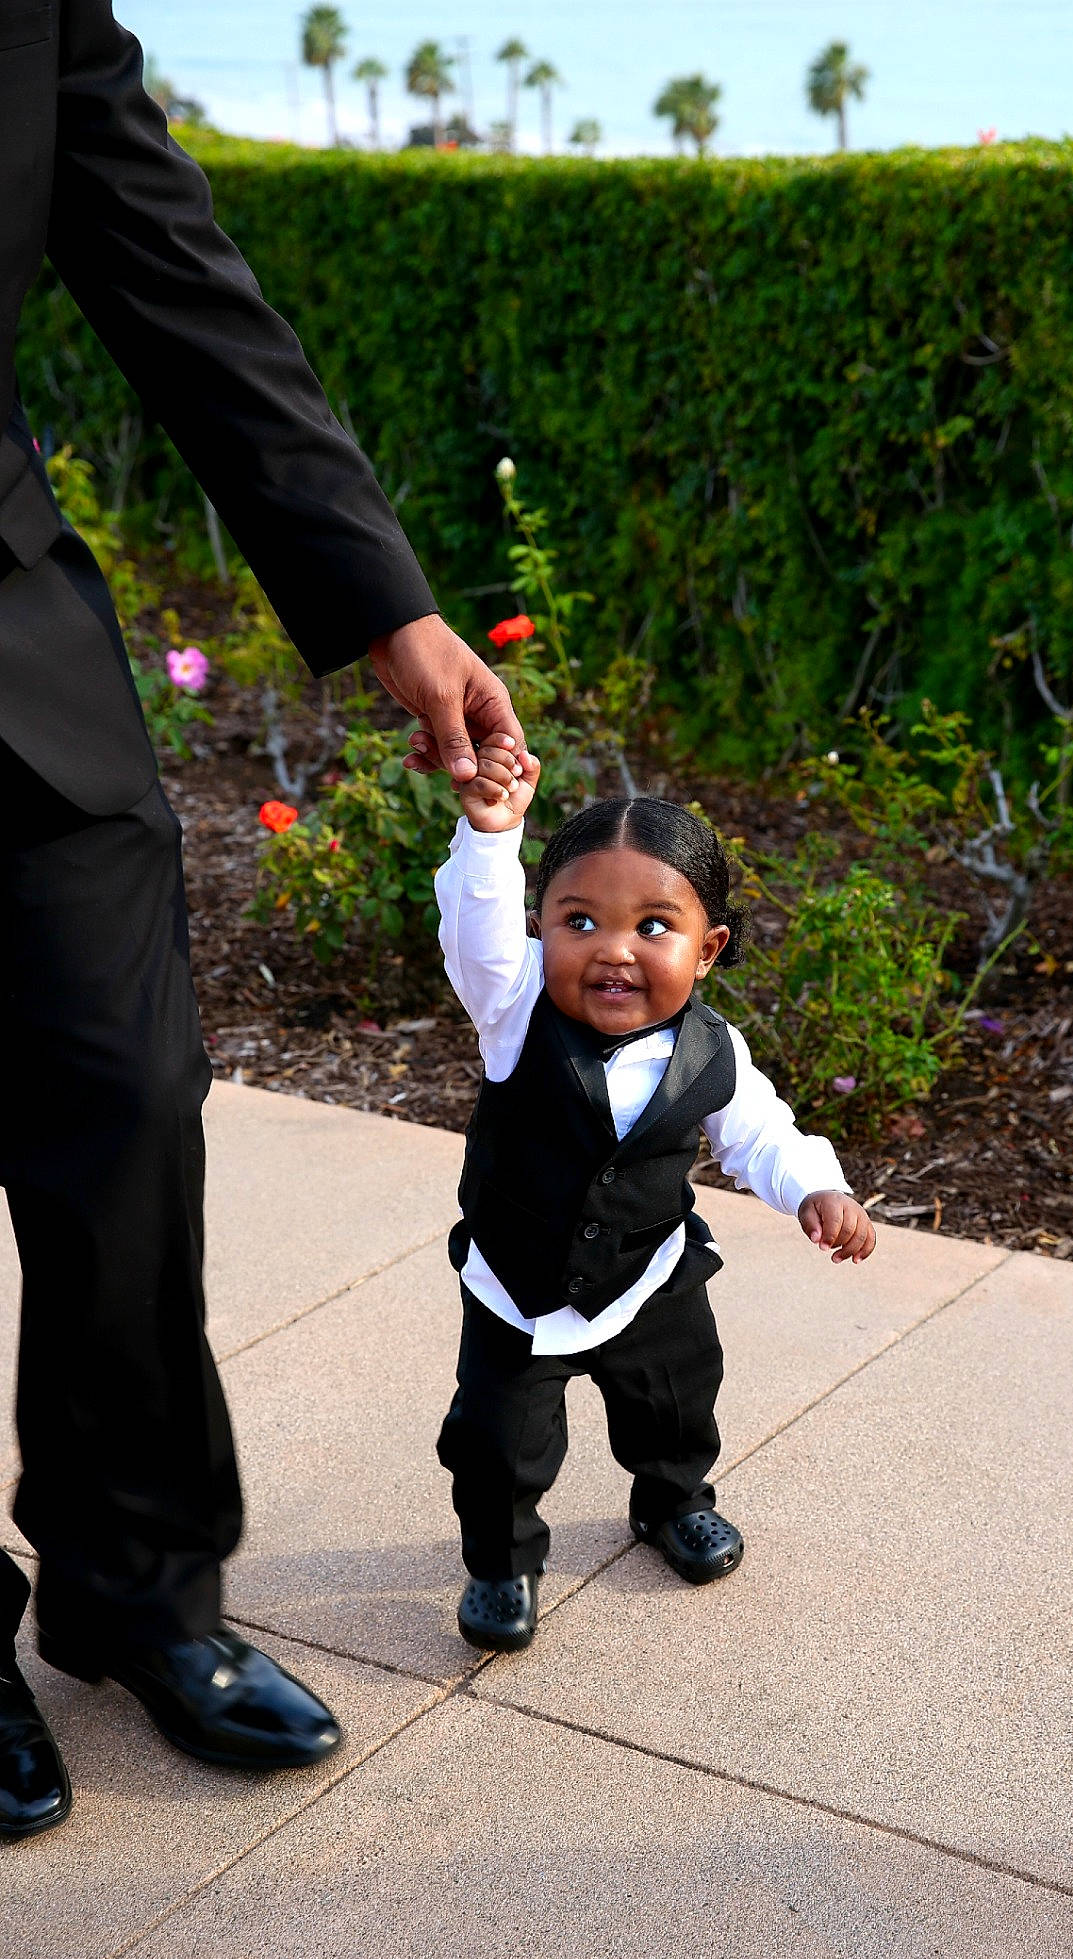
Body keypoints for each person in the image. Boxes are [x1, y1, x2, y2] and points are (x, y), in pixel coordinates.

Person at [0, 2, 528, 1839]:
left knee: (128, 1095)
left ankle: (136, 1584)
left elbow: (176, 276)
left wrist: (389, 609)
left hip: (11, 659)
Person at [432, 742, 877, 1652]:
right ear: (539, 930)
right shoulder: (514, 1011)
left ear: (708, 948)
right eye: (580, 922)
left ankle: (671, 1503)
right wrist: (491, 835)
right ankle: (502, 1562)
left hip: (650, 1274)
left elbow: (760, 1134)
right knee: (495, 1446)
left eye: (654, 928)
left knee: (677, 1405)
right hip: (518, 1285)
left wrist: (816, 1188)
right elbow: (474, 932)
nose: (614, 952)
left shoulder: (717, 1050)